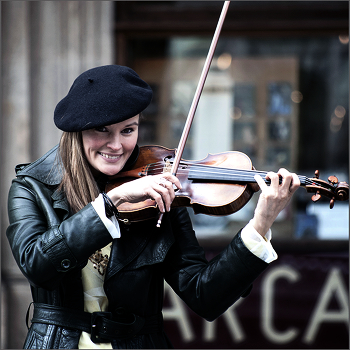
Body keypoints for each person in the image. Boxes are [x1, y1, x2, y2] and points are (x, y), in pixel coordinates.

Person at [6, 65, 300, 349]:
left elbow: (204, 296)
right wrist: (111, 202)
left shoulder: (161, 189)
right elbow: (37, 265)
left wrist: (261, 223)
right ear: (76, 131)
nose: (117, 145)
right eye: (102, 130)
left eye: (128, 130)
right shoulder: (32, 187)